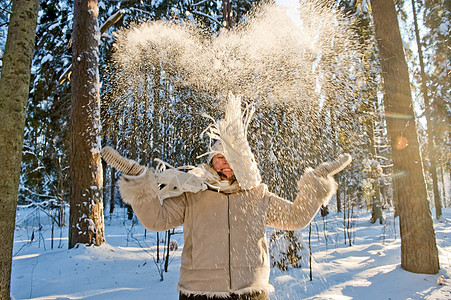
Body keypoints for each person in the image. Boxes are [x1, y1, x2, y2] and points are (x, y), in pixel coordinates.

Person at [101, 140, 351, 300]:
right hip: (200, 292)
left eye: (232, 156)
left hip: (251, 292)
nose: (227, 164)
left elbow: (296, 217)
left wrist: (316, 180)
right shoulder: (193, 193)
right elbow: (156, 220)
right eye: (221, 157)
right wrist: (137, 178)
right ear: (211, 160)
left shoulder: (257, 194)